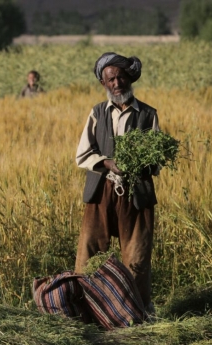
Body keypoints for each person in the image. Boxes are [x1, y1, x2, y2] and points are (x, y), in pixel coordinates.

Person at [75, 52, 160, 313]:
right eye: (111, 79)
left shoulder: (147, 114)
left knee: (137, 256)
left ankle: (136, 313)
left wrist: (137, 165)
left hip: (137, 194)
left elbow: (156, 160)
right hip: (101, 191)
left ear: (130, 78)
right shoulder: (98, 113)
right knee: (89, 251)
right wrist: (110, 164)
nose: (117, 83)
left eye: (121, 77)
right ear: (104, 84)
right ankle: (83, 309)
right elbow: (83, 154)